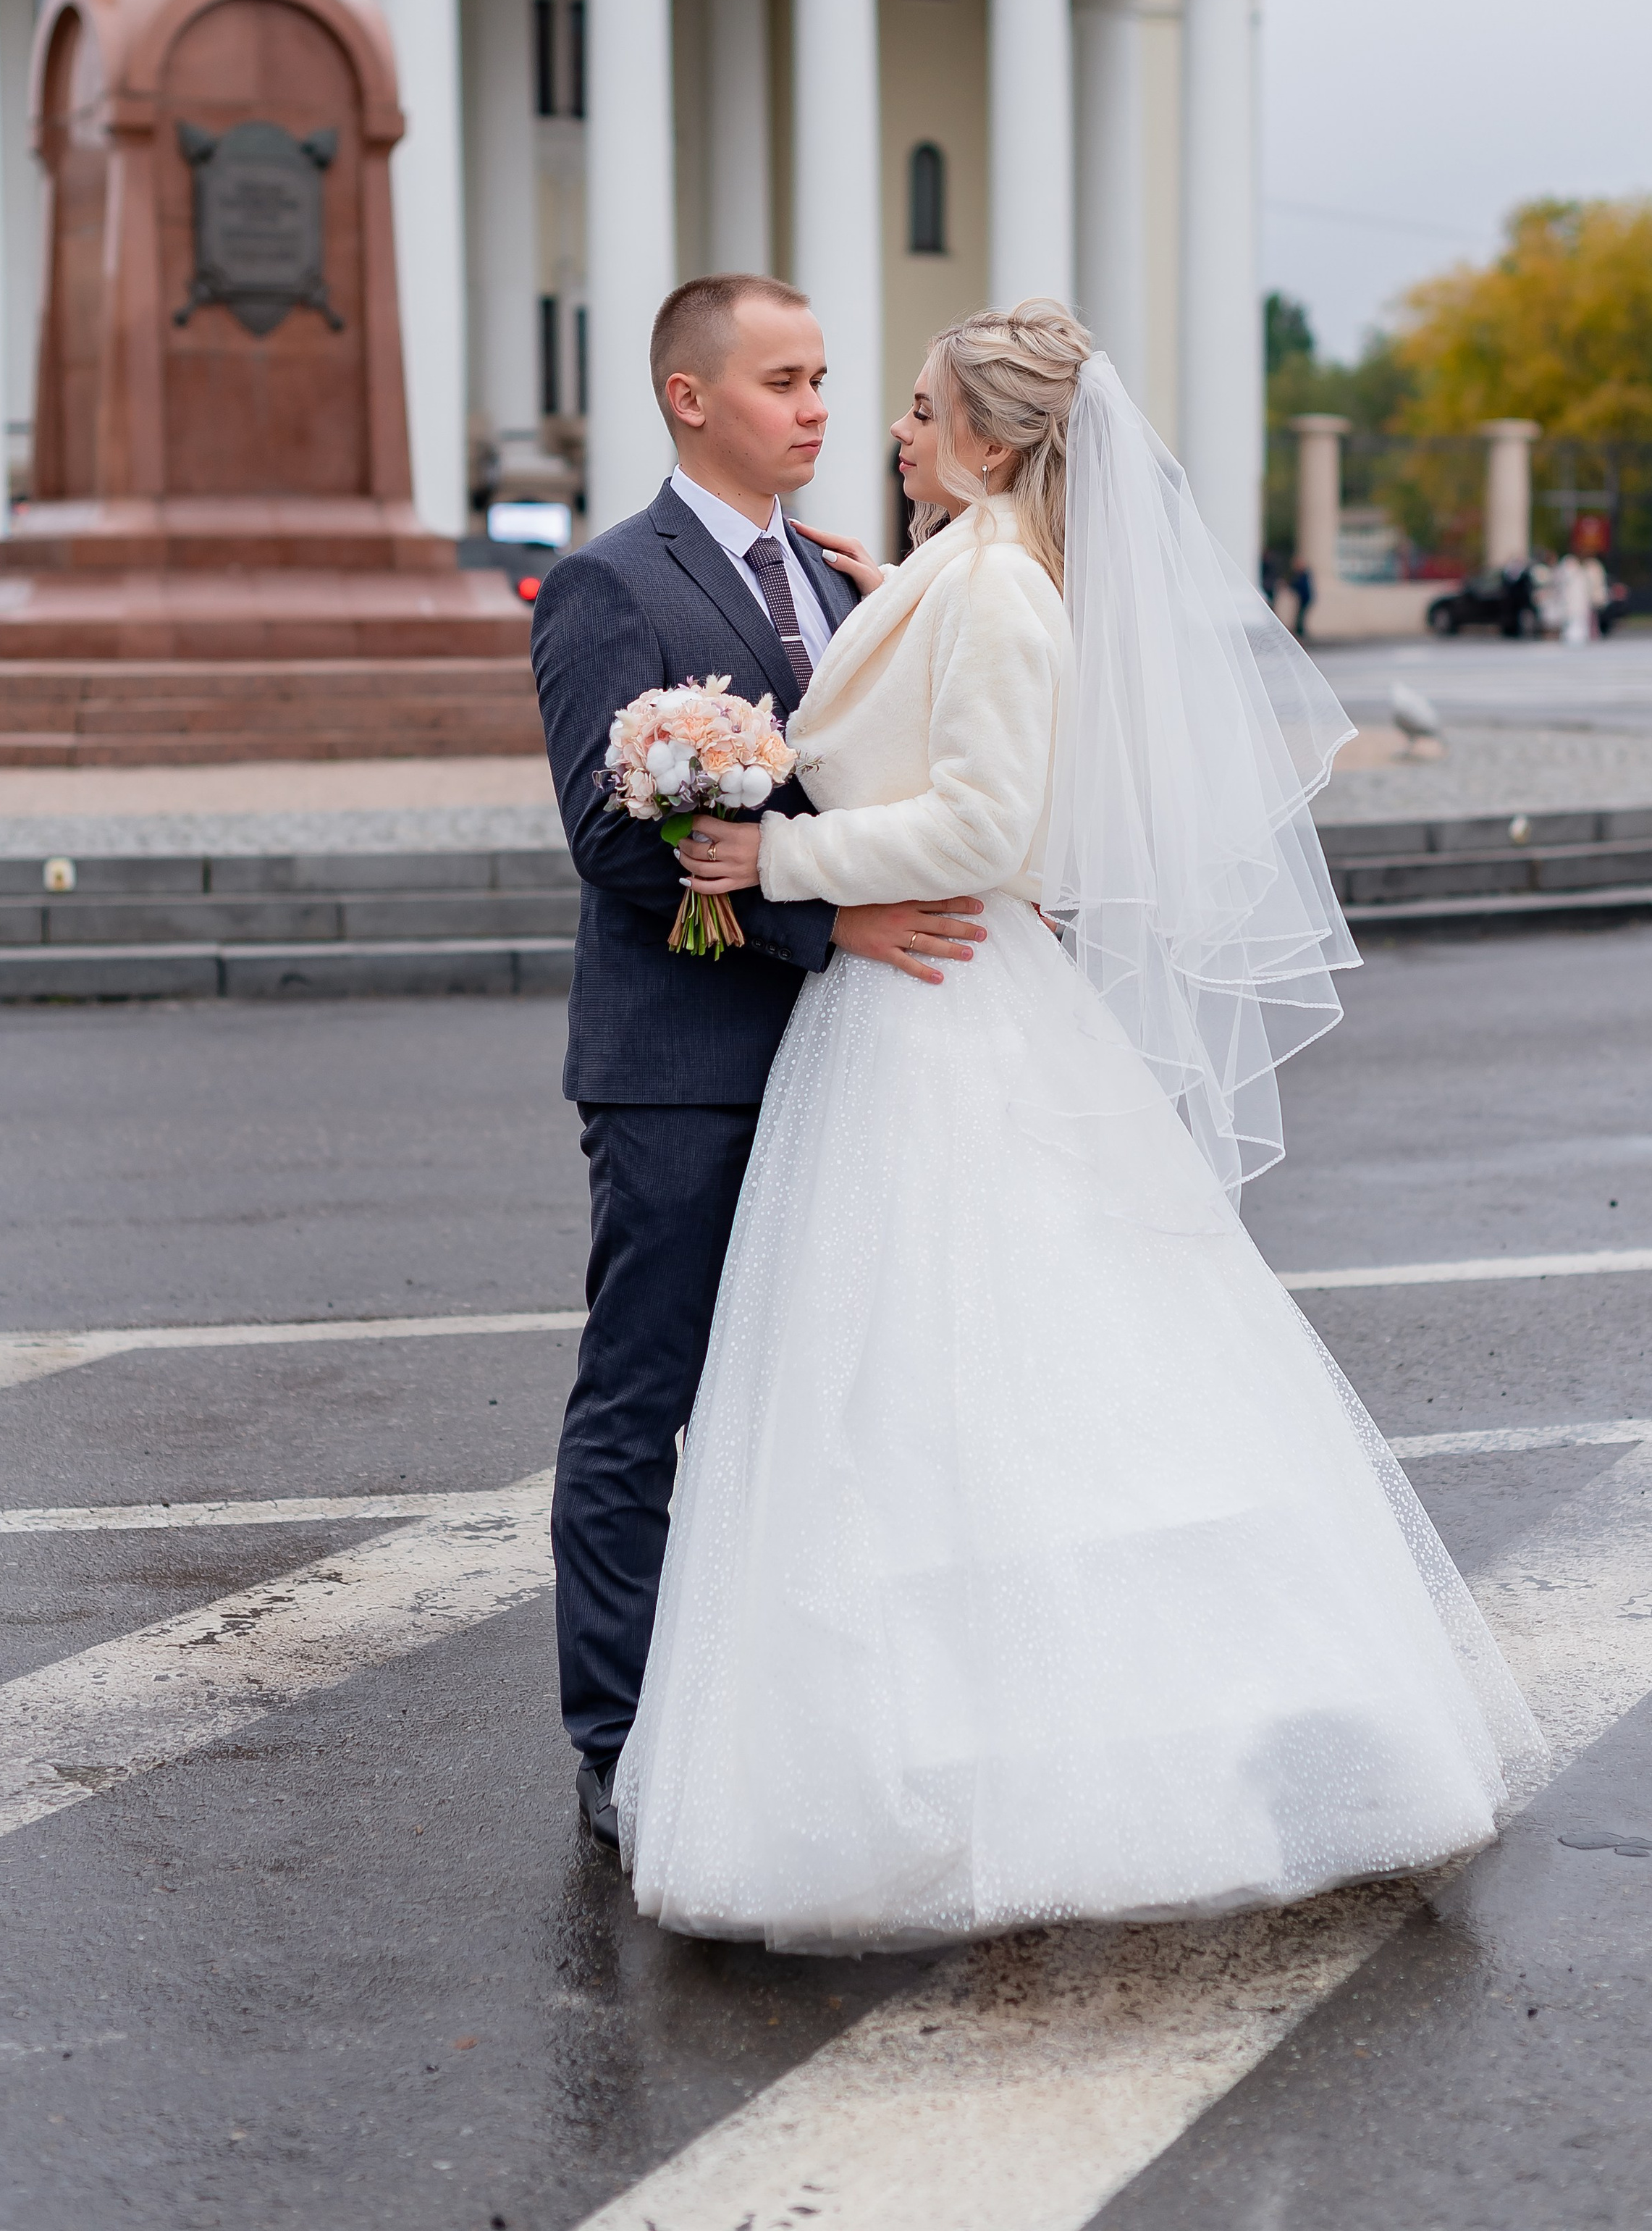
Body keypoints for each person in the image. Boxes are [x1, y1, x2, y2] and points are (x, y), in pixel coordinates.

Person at [615, 300, 1544, 1951]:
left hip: (945, 1012)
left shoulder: (1002, 594)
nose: (884, 430)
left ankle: (1017, 1770)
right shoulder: (938, 570)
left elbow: (985, 820)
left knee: (963, 1386)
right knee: (900, 1393)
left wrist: (779, 862)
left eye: (912, 410)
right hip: (901, 1018)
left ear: (993, 439)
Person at [528, 274, 989, 1853]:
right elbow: (612, 839)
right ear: (688, 397)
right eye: (783, 378)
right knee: (639, 1402)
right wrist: (828, 929)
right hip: (681, 1066)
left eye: (821, 377)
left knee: (818, 1408)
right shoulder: (607, 585)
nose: (817, 407)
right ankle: (619, 1739)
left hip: (850, 1069)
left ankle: (785, 1719)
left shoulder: (850, 580)